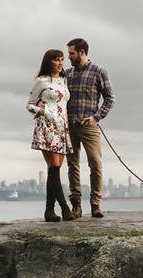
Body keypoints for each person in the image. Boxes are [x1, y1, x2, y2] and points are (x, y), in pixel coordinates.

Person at [63, 37, 114, 218]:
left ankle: (95, 204)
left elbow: (110, 98)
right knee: (72, 165)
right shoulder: (66, 74)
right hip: (68, 125)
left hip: (89, 126)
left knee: (95, 163)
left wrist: (96, 117)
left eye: (71, 53)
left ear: (82, 52)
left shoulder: (99, 71)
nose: (69, 57)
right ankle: (76, 205)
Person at [26, 49, 75, 222]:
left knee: (54, 169)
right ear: (49, 61)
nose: (61, 62)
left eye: (62, 59)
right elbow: (29, 105)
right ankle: (64, 208)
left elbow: (63, 103)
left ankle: (49, 211)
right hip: (47, 126)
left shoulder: (63, 81)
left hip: (62, 127)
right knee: (54, 167)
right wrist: (44, 111)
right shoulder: (41, 81)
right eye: (57, 60)